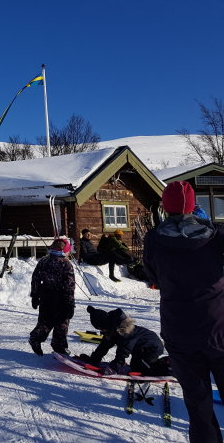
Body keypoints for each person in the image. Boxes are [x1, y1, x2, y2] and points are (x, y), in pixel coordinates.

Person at [144, 180, 224, 443]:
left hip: (179, 330)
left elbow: (152, 275)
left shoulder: (154, 239)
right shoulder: (216, 235)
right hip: (218, 327)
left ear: (165, 207)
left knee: (198, 405)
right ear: (193, 206)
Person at [79, 306, 169, 376]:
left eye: (102, 329)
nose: (101, 331)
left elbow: (124, 348)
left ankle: (170, 368)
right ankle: (159, 363)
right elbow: (104, 346)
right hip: (140, 349)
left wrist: (118, 363)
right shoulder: (112, 329)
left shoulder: (125, 330)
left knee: (144, 370)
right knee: (135, 367)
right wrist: (94, 359)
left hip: (152, 348)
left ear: (106, 325)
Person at [29, 238, 75, 357]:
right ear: (65, 251)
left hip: (46, 296)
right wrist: (70, 303)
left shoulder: (44, 261)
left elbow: (35, 279)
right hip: (61, 298)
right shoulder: (66, 264)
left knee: (45, 320)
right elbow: (69, 285)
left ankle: (36, 338)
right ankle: (59, 347)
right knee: (61, 323)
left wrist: (35, 295)